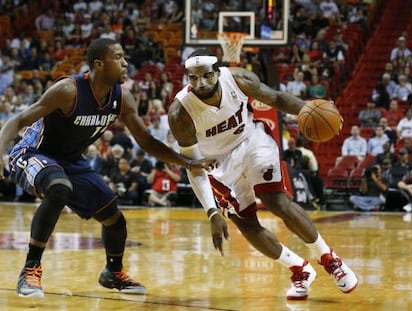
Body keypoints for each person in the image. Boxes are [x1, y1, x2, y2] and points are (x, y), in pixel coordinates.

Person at [0, 38, 213, 299]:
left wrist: (187, 162)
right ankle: (31, 269)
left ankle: (113, 272)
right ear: (99, 64)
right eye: (119, 57)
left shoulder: (122, 98)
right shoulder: (69, 90)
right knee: (59, 187)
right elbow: (18, 119)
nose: (126, 63)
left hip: (71, 160)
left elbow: (146, 141)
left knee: (114, 218)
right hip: (32, 153)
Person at [168, 49, 358, 300]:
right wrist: (212, 212)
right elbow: (193, 166)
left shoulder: (238, 79)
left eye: (206, 76)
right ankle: (299, 269)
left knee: (276, 200)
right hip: (219, 164)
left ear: (217, 71)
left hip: (252, 142)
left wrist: (308, 109)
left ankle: (329, 258)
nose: (200, 83)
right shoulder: (180, 113)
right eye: (193, 78)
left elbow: (276, 98)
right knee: (246, 223)